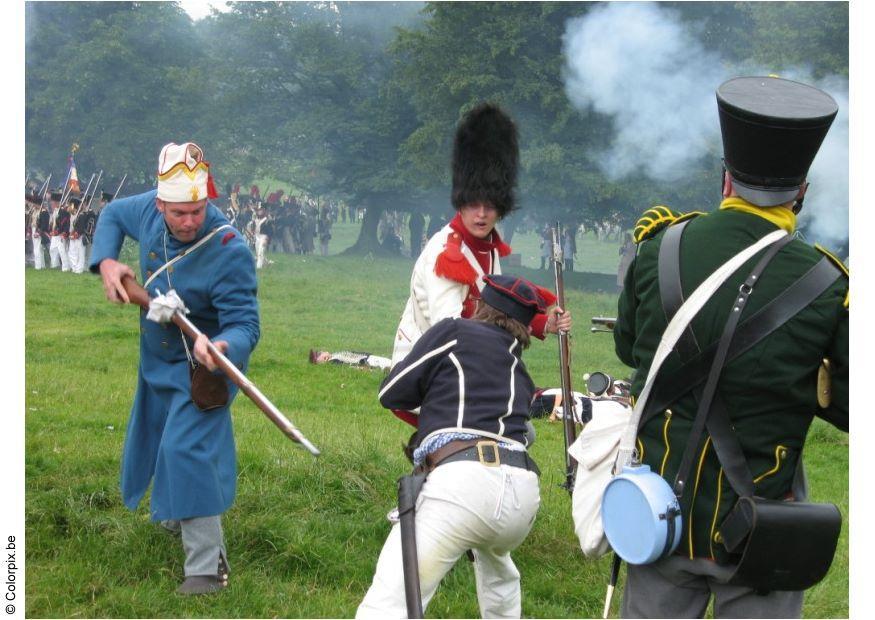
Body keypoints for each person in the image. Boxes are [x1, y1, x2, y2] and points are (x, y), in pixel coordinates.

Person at [613, 76, 847, 618]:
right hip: (759, 528)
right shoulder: (830, 284)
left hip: (659, 514)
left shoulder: (660, 247)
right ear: (802, 190)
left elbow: (629, 348)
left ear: (726, 179)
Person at [89, 141, 259, 595]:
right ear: (160, 201)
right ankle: (181, 515)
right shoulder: (145, 207)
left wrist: (223, 345)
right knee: (162, 444)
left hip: (204, 369)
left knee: (187, 451)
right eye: (179, 212)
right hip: (155, 360)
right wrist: (106, 259)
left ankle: (207, 568)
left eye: (197, 211)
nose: (188, 221)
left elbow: (246, 324)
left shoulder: (228, 248)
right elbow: (110, 217)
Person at [357, 275, 548, 618]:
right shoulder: (520, 369)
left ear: (479, 306)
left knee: (389, 602)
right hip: (522, 499)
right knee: (498, 572)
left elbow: (391, 393)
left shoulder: (455, 331)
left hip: (464, 484)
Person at [391, 103, 570, 368]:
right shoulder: (446, 254)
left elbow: (495, 308)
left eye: (490, 206)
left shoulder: (488, 246)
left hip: (465, 360)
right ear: (461, 203)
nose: (482, 215)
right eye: (474, 204)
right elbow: (449, 331)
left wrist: (545, 322)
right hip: (429, 369)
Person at [48, 190, 71, 271]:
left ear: (57, 202)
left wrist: (63, 232)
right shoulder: (55, 211)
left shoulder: (63, 212)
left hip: (60, 234)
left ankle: (66, 267)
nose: (51, 204)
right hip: (54, 235)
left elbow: (66, 223)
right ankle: (54, 266)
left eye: (53, 203)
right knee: (52, 250)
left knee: (62, 251)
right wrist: (51, 230)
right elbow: (52, 223)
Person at [308, 349, 391, 371]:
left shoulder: (334, 357)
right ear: (324, 359)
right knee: (391, 364)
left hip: (368, 358)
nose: (322, 351)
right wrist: (364, 367)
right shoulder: (333, 361)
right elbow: (349, 365)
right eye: (319, 354)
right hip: (368, 361)